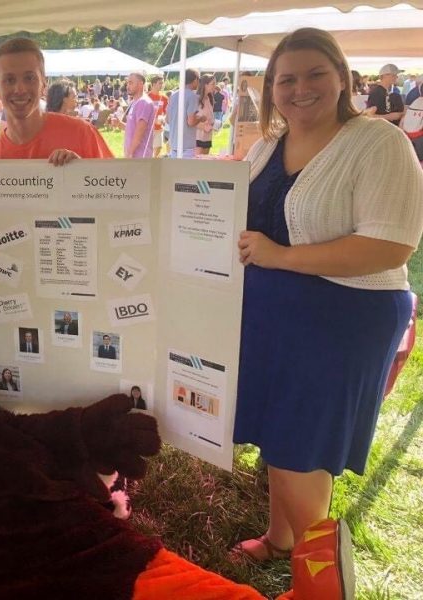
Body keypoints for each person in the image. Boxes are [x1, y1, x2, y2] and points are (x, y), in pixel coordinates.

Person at [233, 28, 423, 565]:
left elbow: (391, 245)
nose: (301, 88)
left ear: (341, 77)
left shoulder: (379, 142)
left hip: (342, 318)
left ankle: (323, 581)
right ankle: (280, 541)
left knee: (301, 449)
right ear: (271, 87)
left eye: (315, 73)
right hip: (273, 314)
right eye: (286, 78)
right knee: (279, 437)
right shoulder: (268, 144)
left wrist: (282, 257)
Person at [0, 38, 112, 163]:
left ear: (44, 84)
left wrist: (82, 172)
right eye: (9, 80)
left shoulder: (82, 135)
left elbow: (119, 181)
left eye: (29, 78)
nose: (20, 89)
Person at [166, 68, 205, 158]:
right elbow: (191, 122)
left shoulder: (173, 95)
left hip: (174, 143)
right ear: (195, 80)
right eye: (198, 80)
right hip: (186, 146)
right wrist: (200, 118)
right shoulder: (192, 96)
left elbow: (167, 119)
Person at [123, 72, 155, 158]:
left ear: (141, 84)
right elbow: (133, 128)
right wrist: (119, 124)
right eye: (127, 83)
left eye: (131, 83)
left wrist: (129, 154)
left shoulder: (143, 102)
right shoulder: (135, 102)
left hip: (140, 157)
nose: (127, 86)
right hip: (135, 156)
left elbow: (139, 132)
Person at [147, 74, 169, 158]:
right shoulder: (146, 97)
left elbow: (166, 112)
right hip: (148, 128)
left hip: (159, 127)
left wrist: (163, 118)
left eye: (162, 83)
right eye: (160, 83)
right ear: (153, 84)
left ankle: (153, 161)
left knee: (159, 147)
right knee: (149, 148)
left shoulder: (164, 98)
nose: (162, 85)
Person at [195, 74, 216, 155]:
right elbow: (190, 120)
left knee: (205, 164)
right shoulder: (196, 99)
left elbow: (210, 117)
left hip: (208, 138)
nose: (215, 86)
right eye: (213, 83)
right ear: (205, 85)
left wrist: (213, 123)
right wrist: (204, 126)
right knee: (197, 164)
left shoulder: (210, 99)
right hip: (198, 138)